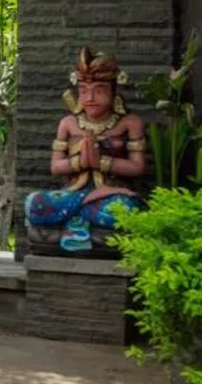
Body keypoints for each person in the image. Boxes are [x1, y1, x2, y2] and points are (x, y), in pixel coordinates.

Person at [24, 47, 148, 252]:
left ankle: (72, 220)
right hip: (74, 193)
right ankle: (87, 208)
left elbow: (137, 167)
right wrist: (81, 162)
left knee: (125, 210)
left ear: (115, 92)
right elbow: (55, 167)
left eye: (98, 91)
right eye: (83, 91)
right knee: (33, 203)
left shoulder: (129, 123)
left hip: (114, 196)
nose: (90, 97)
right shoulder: (68, 123)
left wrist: (101, 162)